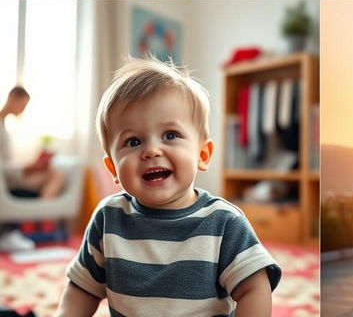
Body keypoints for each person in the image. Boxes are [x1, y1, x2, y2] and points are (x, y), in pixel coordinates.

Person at [55, 58, 281, 317]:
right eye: (133, 141)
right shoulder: (109, 218)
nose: (151, 150)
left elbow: (254, 288)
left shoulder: (223, 222)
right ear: (113, 169)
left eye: (170, 135)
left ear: (203, 154)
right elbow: (83, 289)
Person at [0, 86, 67, 252]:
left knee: (53, 173)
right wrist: (28, 168)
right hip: (7, 178)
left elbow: (7, 161)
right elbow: (4, 167)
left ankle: (37, 224)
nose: (23, 110)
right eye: (23, 105)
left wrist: (32, 166)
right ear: (13, 98)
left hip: (10, 175)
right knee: (56, 175)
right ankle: (41, 225)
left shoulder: (4, 126)